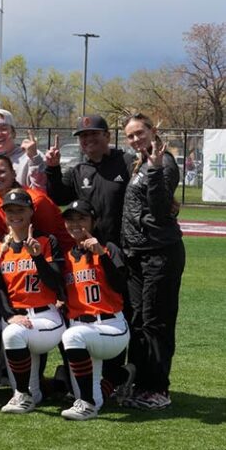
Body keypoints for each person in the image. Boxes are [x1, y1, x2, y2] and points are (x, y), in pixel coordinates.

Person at [121, 113, 185, 410]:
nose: (135, 139)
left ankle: (158, 388)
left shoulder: (164, 162)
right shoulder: (139, 162)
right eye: (130, 135)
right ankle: (138, 381)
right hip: (137, 254)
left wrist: (157, 170)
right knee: (137, 321)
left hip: (160, 253)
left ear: (152, 131)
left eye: (139, 133)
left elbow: (160, 210)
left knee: (156, 322)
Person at [0, 189, 65, 414]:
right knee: (36, 392)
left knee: (13, 335)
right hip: (15, 317)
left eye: (20, 209)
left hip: (44, 316)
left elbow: (55, 283)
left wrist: (37, 257)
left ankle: (21, 397)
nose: (14, 214)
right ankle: (57, 384)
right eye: (9, 210)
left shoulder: (46, 240)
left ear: (31, 211)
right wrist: (10, 315)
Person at [59, 200, 132, 420]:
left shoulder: (109, 248)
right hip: (82, 327)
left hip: (110, 326)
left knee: (71, 336)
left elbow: (121, 286)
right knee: (93, 393)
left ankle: (87, 404)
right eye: (70, 219)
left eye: (82, 218)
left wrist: (101, 255)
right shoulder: (67, 258)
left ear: (94, 221)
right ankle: (121, 377)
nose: (75, 224)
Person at [45, 115, 135, 245]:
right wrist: (53, 168)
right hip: (92, 246)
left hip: (125, 246)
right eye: (83, 136)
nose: (88, 139)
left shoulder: (127, 162)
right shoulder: (78, 171)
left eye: (94, 133)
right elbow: (59, 198)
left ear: (107, 136)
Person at [0, 153, 74, 252]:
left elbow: (51, 241)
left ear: (13, 173)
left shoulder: (36, 200)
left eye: (1, 172)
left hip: (59, 255)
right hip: (19, 257)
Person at [0, 109, 46, 196]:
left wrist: (35, 159)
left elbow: (41, 193)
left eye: (4, 128)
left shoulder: (31, 156)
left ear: (14, 133)